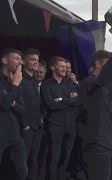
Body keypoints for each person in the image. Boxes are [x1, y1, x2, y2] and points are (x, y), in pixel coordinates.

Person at [79, 33, 112, 180]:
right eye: (110, 63)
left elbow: (109, 114)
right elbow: (105, 76)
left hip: (111, 145)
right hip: (96, 146)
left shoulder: (106, 88)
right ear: (98, 64)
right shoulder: (89, 84)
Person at [41, 56, 79, 180]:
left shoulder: (69, 84)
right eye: (61, 66)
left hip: (70, 127)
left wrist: (62, 100)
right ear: (53, 67)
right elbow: (51, 105)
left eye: (65, 66)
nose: (64, 69)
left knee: (65, 157)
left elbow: (77, 101)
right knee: (54, 158)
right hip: (55, 126)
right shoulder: (46, 85)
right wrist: (69, 101)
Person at [0, 48, 28, 180]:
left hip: (14, 133)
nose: (20, 62)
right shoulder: (15, 82)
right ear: (5, 60)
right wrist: (15, 84)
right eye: (16, 58)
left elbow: (22, 109)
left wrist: (12, 101)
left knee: (21, 172)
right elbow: (5, 104)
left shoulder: (16, 83)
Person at [21, 48, 42, 180]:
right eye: (32, 59)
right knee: (22, 164)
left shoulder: (34, 82)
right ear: (23, 61)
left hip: (37, 129)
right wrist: (25, 125)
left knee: (33, 162)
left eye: (37, 60)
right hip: (25, 130)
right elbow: (17, 105)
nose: (36, 62)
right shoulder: (20, 80)